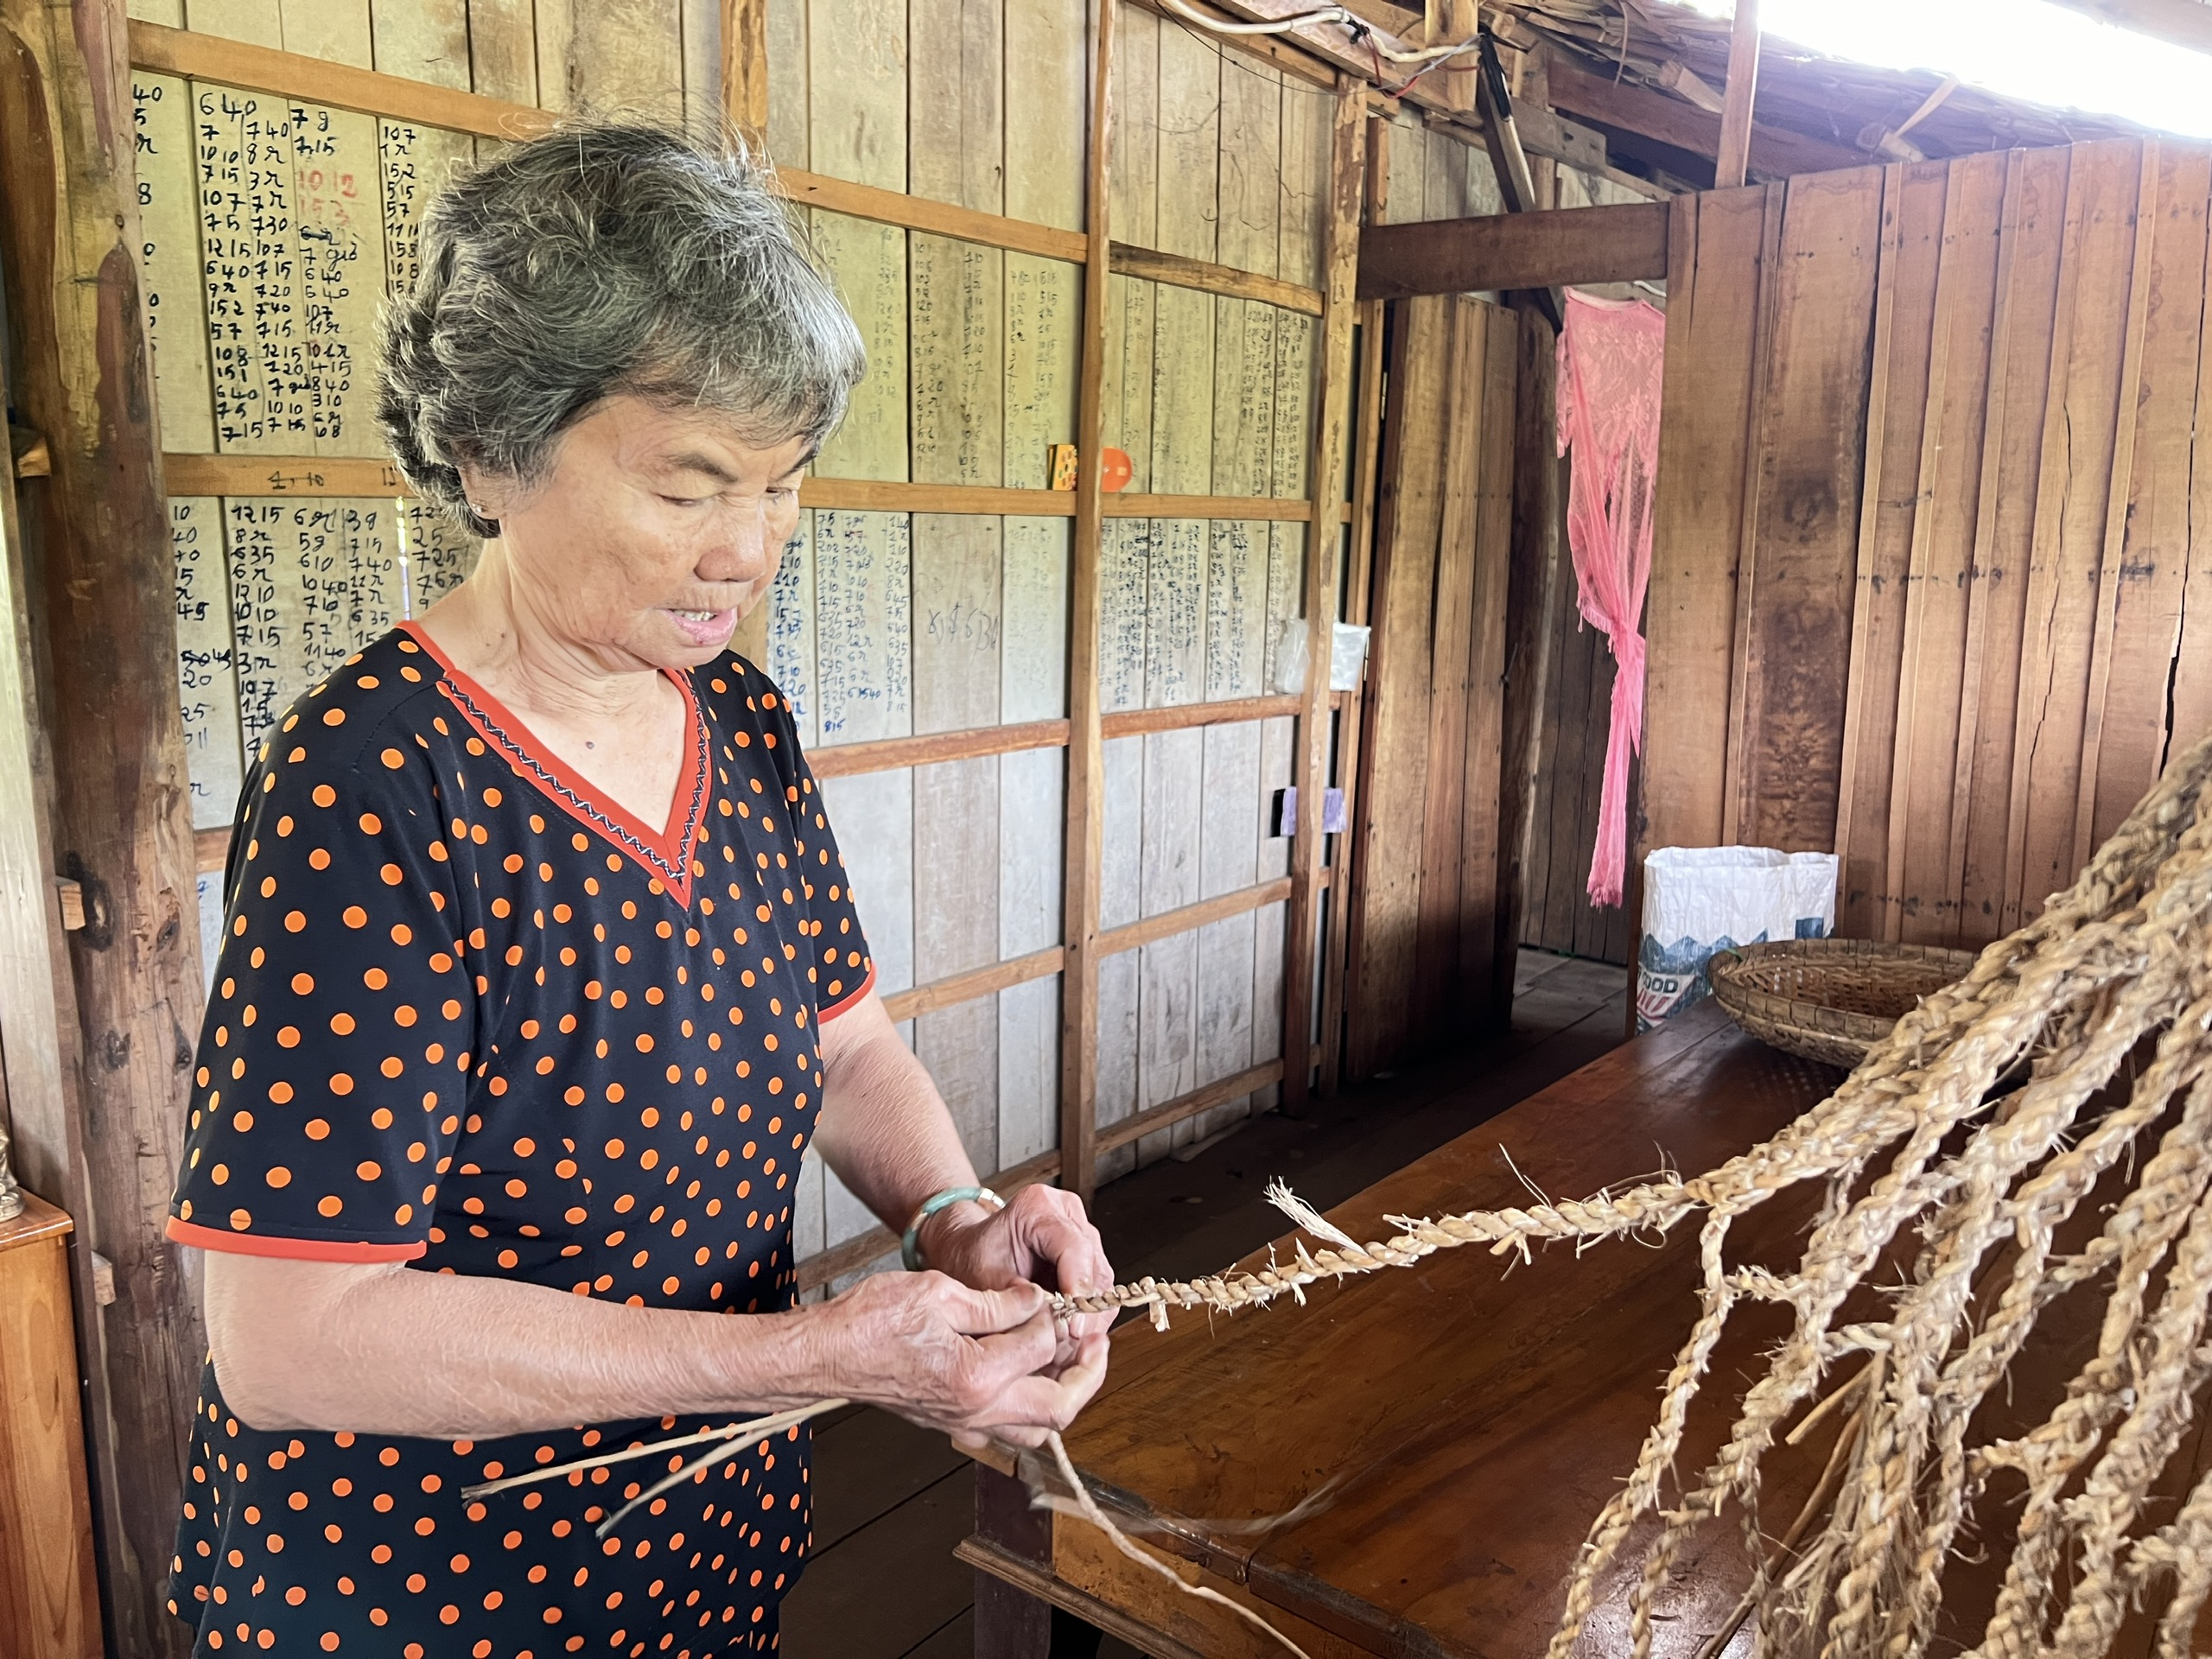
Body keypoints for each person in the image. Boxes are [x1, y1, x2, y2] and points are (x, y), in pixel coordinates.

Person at [162, 118, 1115, 1658]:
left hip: (699, 1529)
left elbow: (847, 1045)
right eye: (688, 490)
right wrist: (811, 1352)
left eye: (785, 483)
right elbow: (294, 1343)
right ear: (491, 456)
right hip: (426, 1587)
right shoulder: (373, 783)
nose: (749, 550)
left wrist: (951, 1218)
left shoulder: (736, 719)